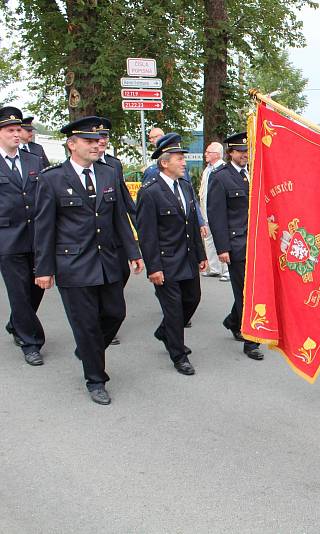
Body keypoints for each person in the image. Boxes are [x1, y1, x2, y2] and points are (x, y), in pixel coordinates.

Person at [34, 116, 143, 404]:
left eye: (99, 140)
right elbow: (44, 228)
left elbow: (119, 216)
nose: (97, 145)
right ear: (72, 144)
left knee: (115, 313)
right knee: (86, 324)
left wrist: (133, 252)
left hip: (107, 260)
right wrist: (43, 269)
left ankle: (88, 349)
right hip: (73, 265)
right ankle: (96, 379)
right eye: (89, 141)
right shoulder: (51, 179)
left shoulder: (108, 173)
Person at [135, 133, 207, 376]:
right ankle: (178, 354)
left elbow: (192, 226)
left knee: (193, 299)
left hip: (187, 257)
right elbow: (147, 234)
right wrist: (153, 267)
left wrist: (201, 254)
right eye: (179, 158)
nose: (184, 162)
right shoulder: (150, 192)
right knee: (174, 309)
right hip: (165, 261)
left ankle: (166, 330)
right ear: (164, 162)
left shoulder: (185, 186)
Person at [206, 132, 263, 360]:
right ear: (230, 153)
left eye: (246, 151)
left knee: (249, 289)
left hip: (254, 242)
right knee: (244, 292)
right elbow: (216, 215)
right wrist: (222, 248)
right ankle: (251, 341)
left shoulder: (250, 174)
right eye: (240, 152)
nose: (244, 156)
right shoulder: (220, 177)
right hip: (236, 243)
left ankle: (232, 320)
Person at [0, 106, 46, 365]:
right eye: (10, 130)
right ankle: (31, 342)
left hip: (37, 236)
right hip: (7, 238)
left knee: (37, 287)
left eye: (19, 129)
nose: (17, 134)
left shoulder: (33, 159)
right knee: (18, 291)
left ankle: (16, 322)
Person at [95, 117, 137, 345]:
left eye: (105, 137)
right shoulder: (75, 165)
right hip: (94, 237)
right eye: (98, 137)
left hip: (115, 230)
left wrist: (138, 218)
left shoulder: (114, 164)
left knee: (122, 273)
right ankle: (100, 325)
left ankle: (106, 313)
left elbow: (122, 196)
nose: (102, 141)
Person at [199, 141, 228, 281]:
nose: (206, 154)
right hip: (206, 209)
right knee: (208, 238)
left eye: (208, 152)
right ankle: (215, 268)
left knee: (222, 238)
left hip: (218, 211)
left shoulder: (223, 169)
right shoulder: (207, 169)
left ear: (217, 154)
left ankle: (226, 270)